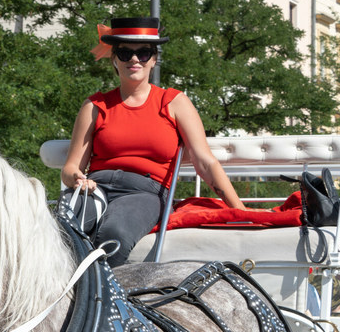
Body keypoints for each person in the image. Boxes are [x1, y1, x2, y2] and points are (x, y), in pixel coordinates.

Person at [61, 16, 246, 266]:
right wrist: (78, 179)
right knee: (62, 227)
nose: (134, 59)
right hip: (96, 188)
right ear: (114, 59)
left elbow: (205, 162)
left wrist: (241, 213)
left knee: (112, 234)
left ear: (154, 59)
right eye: (125, 53)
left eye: (143, 53)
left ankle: (102, 302)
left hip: (145, 192)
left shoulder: (174, 102)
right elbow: (71, 167)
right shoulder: (95, 105)